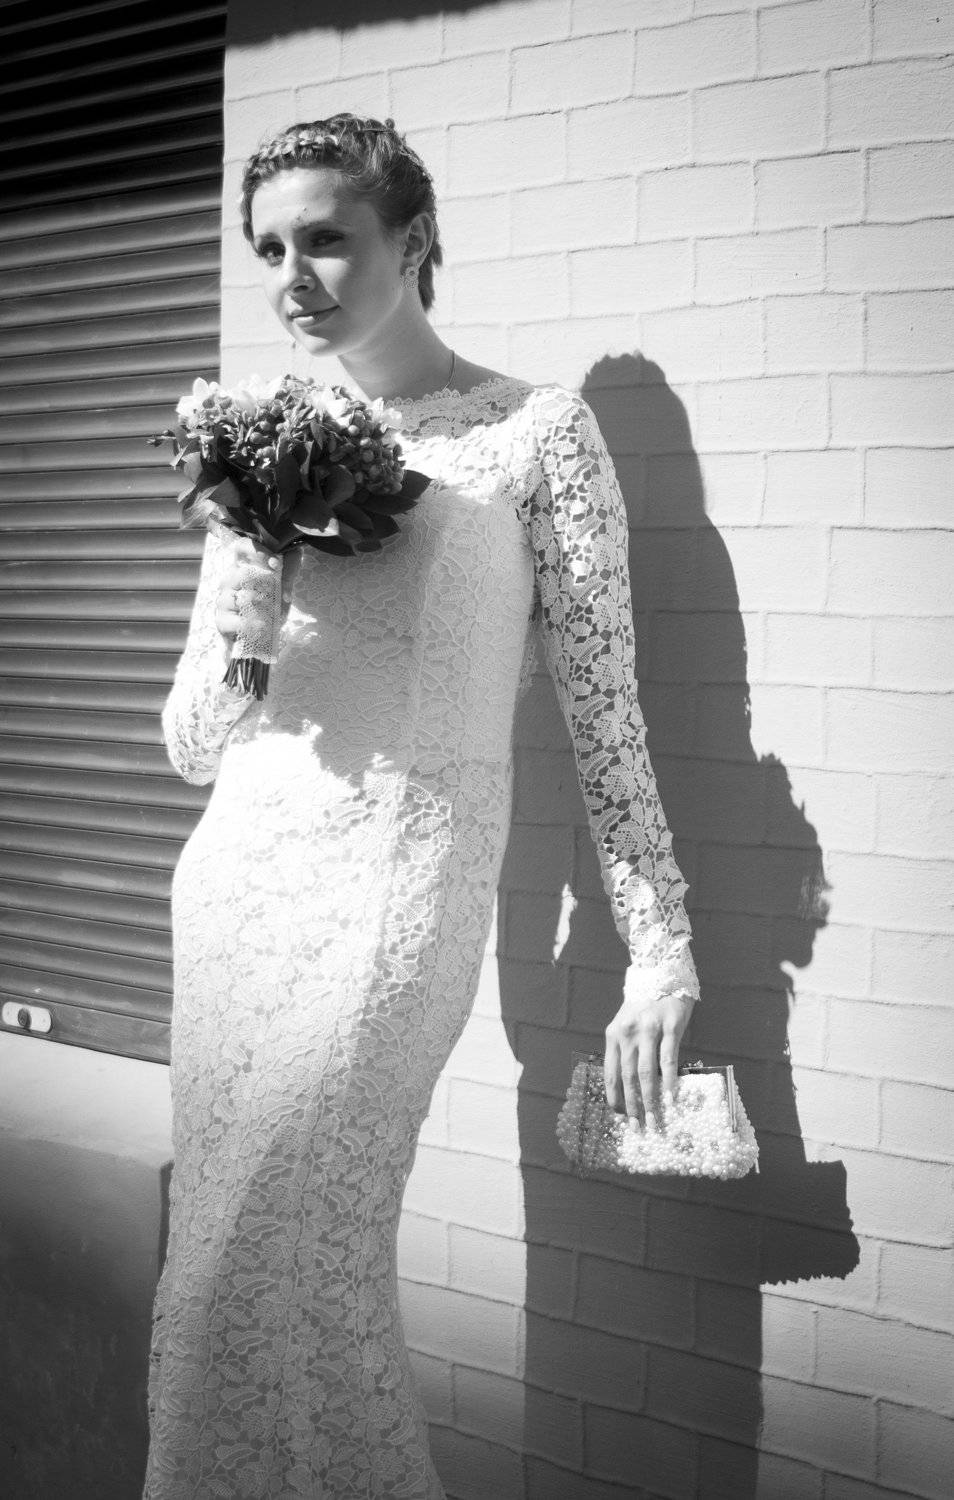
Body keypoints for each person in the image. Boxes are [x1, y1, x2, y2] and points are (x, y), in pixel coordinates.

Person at [143, 113, 699, 1500]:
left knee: (273, 1257)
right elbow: (195, 746)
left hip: (402, 886)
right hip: (240, 883)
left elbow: (605, 711)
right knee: (223, 1266)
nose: (294, 277)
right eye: (270, 249)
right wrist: (246, 603)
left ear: (415, 240)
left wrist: (659, 946)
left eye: (326, 239)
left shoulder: (539, 436)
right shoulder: (257, 442)